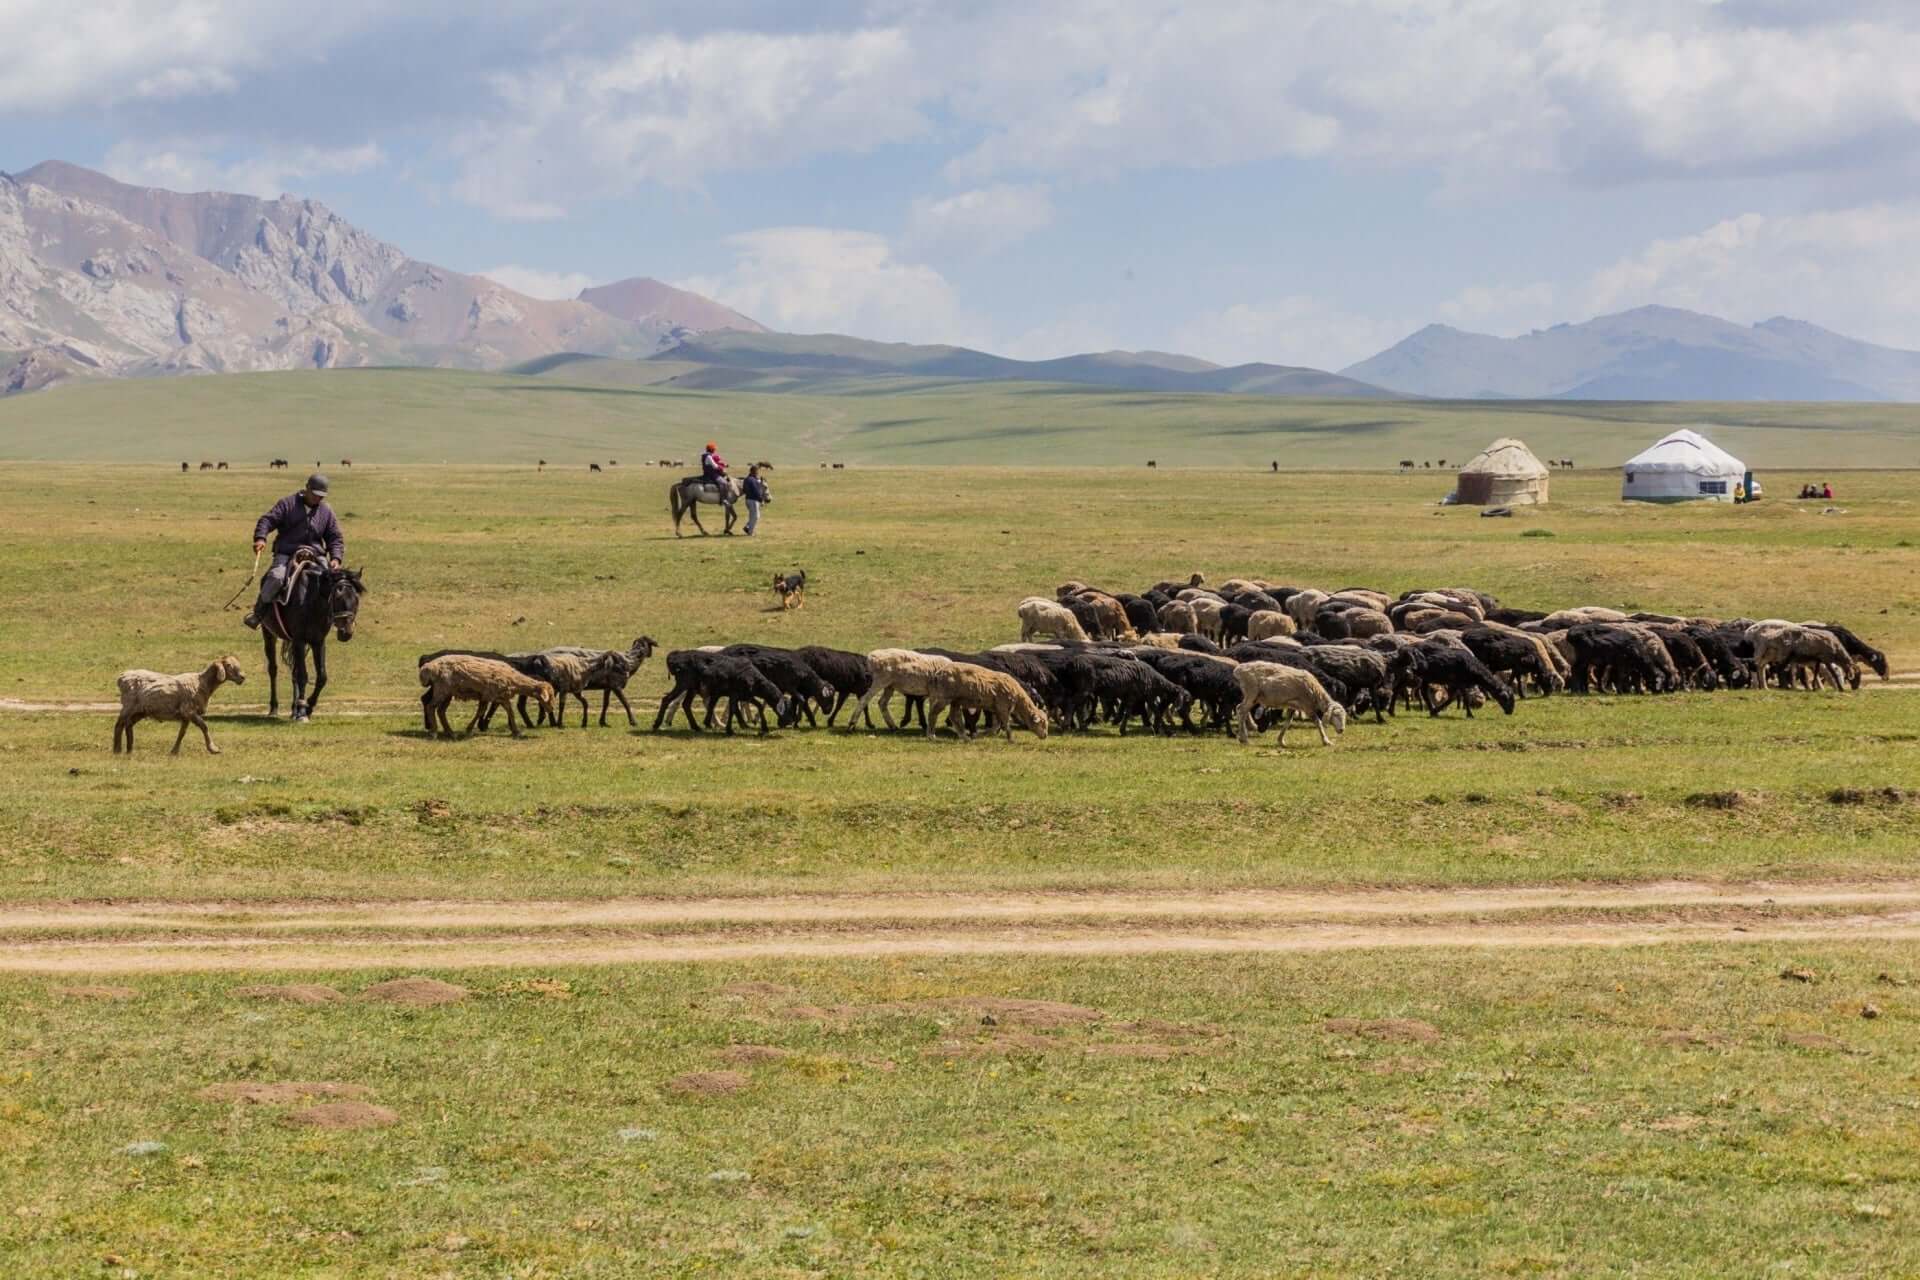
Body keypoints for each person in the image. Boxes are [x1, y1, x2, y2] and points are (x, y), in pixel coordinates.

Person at [243, 473, 344, 629]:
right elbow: (267, 520)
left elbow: (335, 537)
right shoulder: (287, 504)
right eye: (315, 494)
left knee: (333, 581)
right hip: (287, 552)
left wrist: (336, 558)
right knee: (276, 577)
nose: (318, 498)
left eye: (321, 496)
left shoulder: (326, 511)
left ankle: (337, 619)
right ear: (307, 488)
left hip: (316, 554)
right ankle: (259, 612)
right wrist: (261, 538)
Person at [741, 464, 770, 536]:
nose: (758, 473)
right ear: (754, 471)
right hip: (753, 500)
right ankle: (750, 532)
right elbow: (756, 491)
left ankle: (747, 527)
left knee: (755, 516)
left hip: (748, 500)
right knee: (755, 516)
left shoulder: (746, 479)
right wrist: (761, 500)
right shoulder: (753, 480)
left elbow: (744, 490)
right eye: (757, 471)